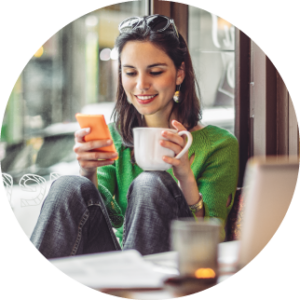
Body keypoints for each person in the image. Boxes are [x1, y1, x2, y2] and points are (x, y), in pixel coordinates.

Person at [29, 15, 239, 259]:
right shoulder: (113, 136)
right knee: (69, 185)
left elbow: (210, 240)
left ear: (180, 73)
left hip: (174, 264)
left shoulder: (219, 145)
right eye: (130, 72)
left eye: (156, 72)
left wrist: (185, 177)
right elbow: (111, 218)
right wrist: (88, 173)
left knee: (150, 183)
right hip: (117, 263)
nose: (141, 85)